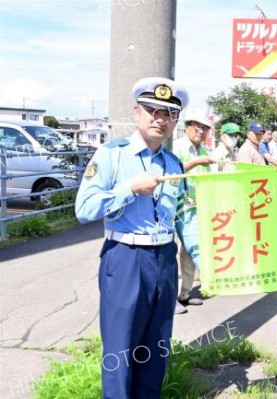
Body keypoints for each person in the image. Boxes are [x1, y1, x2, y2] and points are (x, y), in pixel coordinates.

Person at [75, 76, 199, 399]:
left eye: (169, 113)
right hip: (126, 258)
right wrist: (129, 189)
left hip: (164, 262)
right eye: (152, 110)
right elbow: (84, 207)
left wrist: (207, 261)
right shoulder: (112, 155)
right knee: (120, 355)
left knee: (156, 352)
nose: (160, 119)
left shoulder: (174, 165)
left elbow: (185, 218)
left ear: (176, 120)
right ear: (136, 112)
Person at [171, 109, 214, 314]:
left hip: (198, 206)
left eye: (204, 127)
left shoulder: (204, 150)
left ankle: (184, 294)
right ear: (187, 126)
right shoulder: (177, 146)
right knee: (182, 250)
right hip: (178, 206)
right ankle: (170, 300)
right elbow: (171, 173)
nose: (200, 130)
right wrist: (196, 162)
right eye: (196, 126)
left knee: (188, 252)